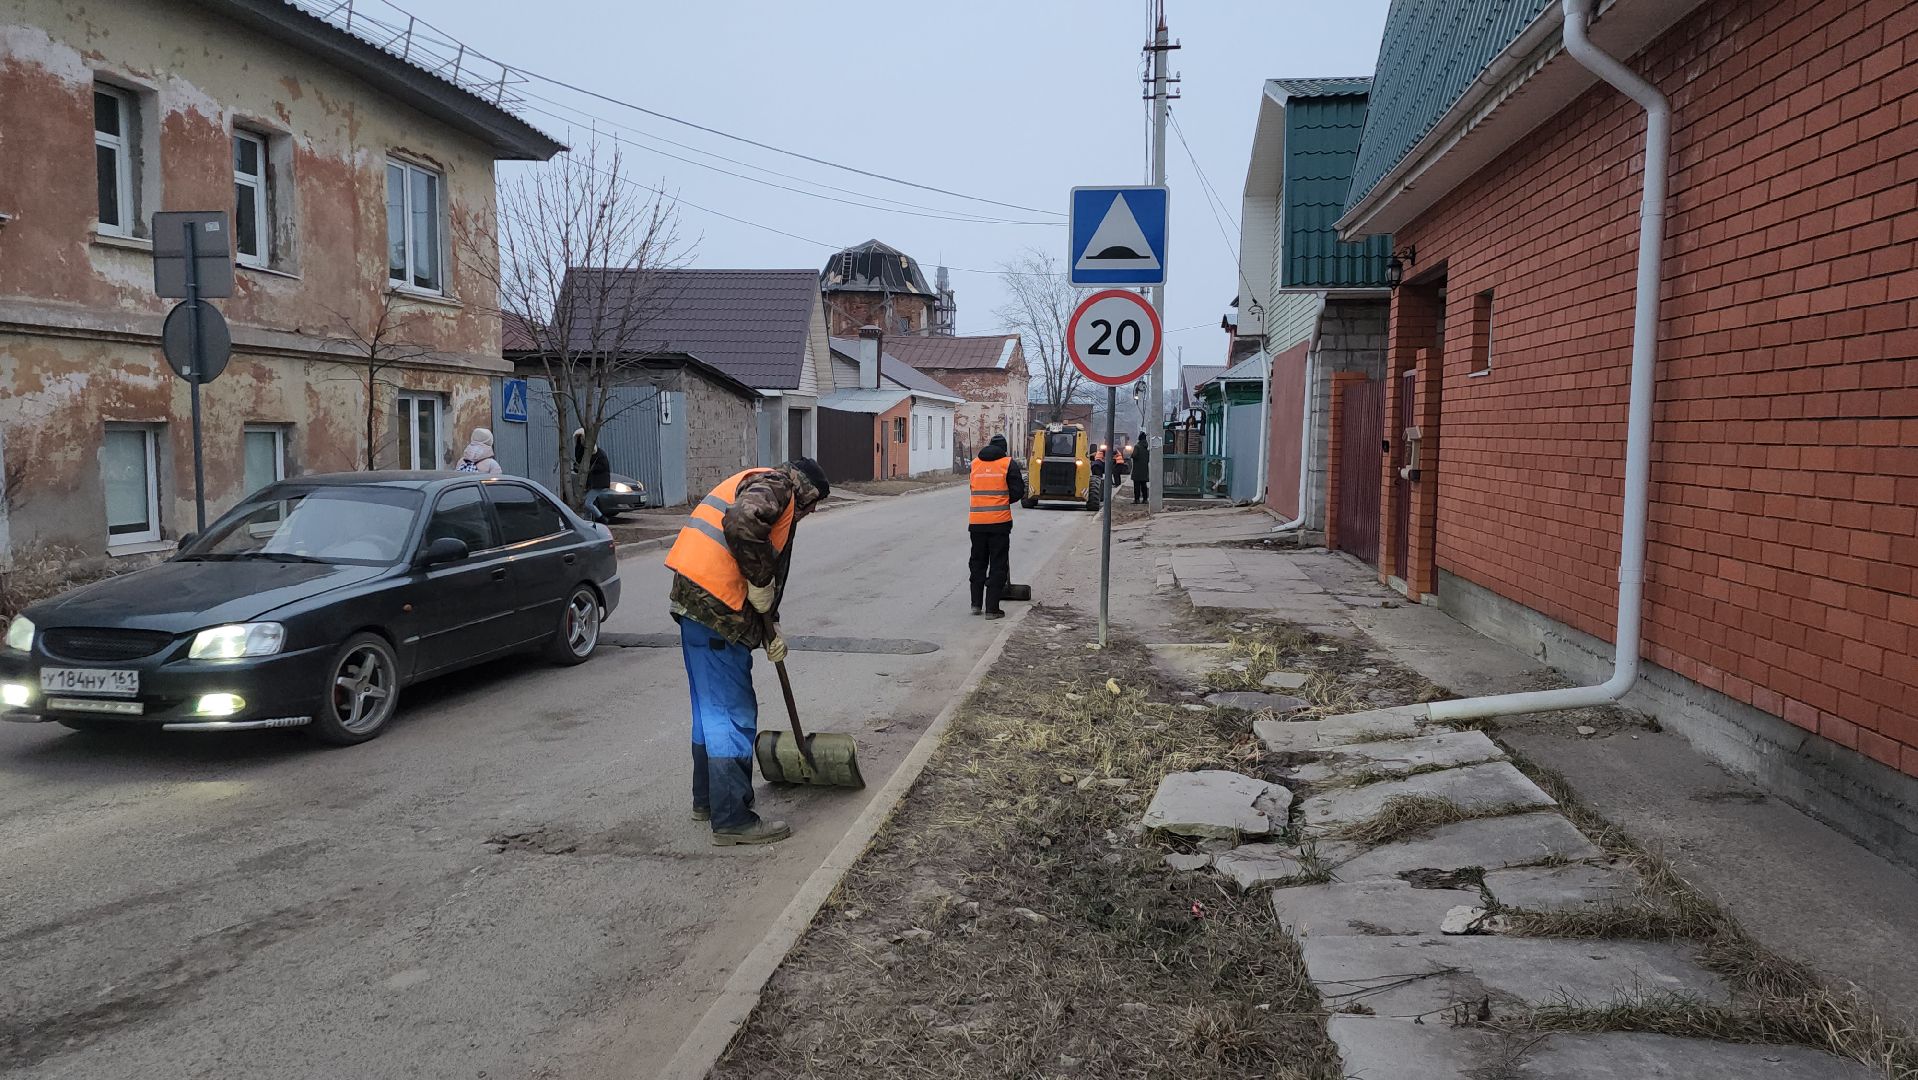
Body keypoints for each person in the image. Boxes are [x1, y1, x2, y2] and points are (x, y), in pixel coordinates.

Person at [666, 458, 832, 846]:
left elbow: (754, 570)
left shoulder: (761, 481)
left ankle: (707, 800)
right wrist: (760, 580)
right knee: (732, 715)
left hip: (696, 606)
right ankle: (733, 819)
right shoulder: (779, 487)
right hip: (717, 610)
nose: (809, 514)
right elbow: (742, 523)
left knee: (709, 711)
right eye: (814, 507)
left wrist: (768, 629)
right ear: (809, 495)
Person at [968, 433, 1025, 620]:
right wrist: (1002, 500)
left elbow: (973, 487)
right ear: (1004, 449)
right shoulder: (1008, 463)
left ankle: (976, 604)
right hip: (999, 522)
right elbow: (1018, 492)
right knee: (998, 564)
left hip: (976, 523)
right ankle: (992, 609)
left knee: (977, 562)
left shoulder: (975, 463)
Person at [572, 428, 612, 522]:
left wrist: (588, 469)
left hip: (598, 483)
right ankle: (588, 521)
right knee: (587, 504)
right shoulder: (591, 453)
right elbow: (579, 460)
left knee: (588, 503)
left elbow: (602, 467)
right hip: (594, 482)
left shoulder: (598, 454)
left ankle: (601, 518)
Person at [1132, 432, 1151, 504]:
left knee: (1136, 485)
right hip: (1144, 469)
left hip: (1137, 469)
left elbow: (1134, 455)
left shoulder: (1137, 447)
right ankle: (1145, 499)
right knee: (1144, 485)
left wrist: (1132, 455)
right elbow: (1148, 459)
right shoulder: (1146, 448)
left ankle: (1137, 499)